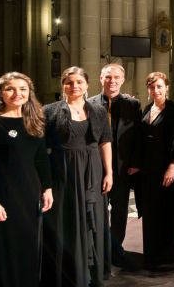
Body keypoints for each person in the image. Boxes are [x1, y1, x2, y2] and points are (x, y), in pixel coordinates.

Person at [0, 72, 53, 287]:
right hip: (0, 199)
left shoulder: (34, 122)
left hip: (27, 199)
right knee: (1, 253)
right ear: (0, 93)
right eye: (11, 89)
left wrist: (47, 188)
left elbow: (41, 160)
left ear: (29, 93)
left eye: (23, 89)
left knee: (26, 251)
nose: (17, 93)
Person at [43, 66, 113, 286]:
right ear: (62, 85)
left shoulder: (99, 110)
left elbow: (105, 142)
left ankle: (92, 270)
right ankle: (68, 271)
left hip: (92, 169)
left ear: (87, 85)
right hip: (62, 170)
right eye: (69, 82)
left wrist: (109, 172)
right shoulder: (50, 111)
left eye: (79, 82)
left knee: (93, 219)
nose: (74, 86)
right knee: (66, 218)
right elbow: (40, 148)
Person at [87, 63, 142, 268]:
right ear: (101, 79)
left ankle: (116, 248)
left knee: (119, 210)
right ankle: (99, 248)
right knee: (98, 210)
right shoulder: (89, 104)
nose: (112, 81)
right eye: (108, 77)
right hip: (96, 167)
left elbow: (138, 136)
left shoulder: (132, 104)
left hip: (123, 167)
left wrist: (136, 162)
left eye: (116, 77)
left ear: (122, 79)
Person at [140, 72, 174, 267]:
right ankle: (152, 251)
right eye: (152, 87)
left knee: (169, 208)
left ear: (166, 87)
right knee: (151, 209)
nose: (156, 90)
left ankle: (169, 251)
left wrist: (172, 166)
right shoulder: (146, 109)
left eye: (159, 86)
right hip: (149, 168)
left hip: (169, 167)